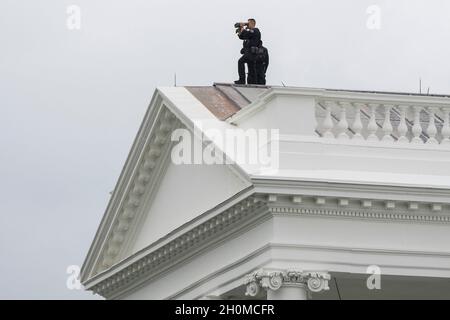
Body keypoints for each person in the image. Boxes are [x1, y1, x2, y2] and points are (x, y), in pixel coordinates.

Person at [234, 18, 261, 85]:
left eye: (248, 23)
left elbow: (247, 33)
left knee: (240, 61)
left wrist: (243, 27)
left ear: (252, 23)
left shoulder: (255, 30)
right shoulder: (250, 33)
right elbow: (242, 36)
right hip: (250, 53)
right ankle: (254, 83)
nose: (247, 25)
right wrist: (240, 29)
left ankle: (242, 80)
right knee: (251, 69)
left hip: (251, 53)